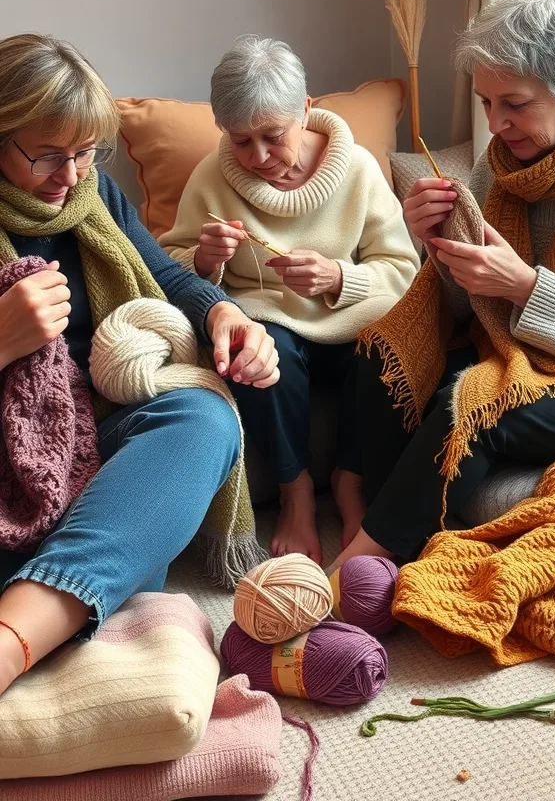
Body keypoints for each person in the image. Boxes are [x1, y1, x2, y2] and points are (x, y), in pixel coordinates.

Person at [0, 33, 279, 695]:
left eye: (83, 152)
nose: (69, 176)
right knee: (135, 537)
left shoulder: (90, 194)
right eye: (45, 155)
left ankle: (20, 630)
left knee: (205, 417)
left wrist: (225, 315)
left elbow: (161, 273)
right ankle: (71, 594)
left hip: (93, 430)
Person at [328, 0, 555, 572]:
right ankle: (383, 529)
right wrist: (436, 247)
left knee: (476, 405)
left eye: (514, 104)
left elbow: (509, 294)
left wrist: (524, 286)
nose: (495, 123)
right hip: (521, 348)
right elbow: (468, 311)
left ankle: (352, 571)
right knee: (384, 353)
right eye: (486, 103)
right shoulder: (503, 170)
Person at [160, 36, 420, 563]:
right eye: (240, 141)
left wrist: (339, 279)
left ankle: (351, 479)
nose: (258, 157)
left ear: (306, 110)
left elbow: (403, 272)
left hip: (351, 325)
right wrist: (206, 260)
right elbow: (168, 268)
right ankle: (295, 492)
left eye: (273, 136)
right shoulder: (211, 178)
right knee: (261, 347)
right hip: (269, 325)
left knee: (390, 347)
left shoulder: (358, 170)